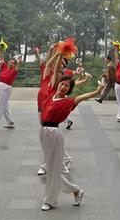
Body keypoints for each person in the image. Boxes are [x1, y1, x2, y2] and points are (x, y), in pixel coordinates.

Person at [40, 52, 105, 211]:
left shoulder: (68, 102)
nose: (63, 86)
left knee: (53, 169)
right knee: (54, 167)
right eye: (62, 84)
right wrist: (60, 53)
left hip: (54, 133)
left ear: (69, 90)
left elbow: (83, 96)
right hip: (43, 131)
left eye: (67, 86)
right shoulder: (51, 93)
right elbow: (54, 70)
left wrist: (97, 92)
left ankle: (50, 200)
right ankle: (76, 191)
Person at [0, 47, 21, 130]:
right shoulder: (4, 66)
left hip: (6, 88)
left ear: (14, 65)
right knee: (5, 105)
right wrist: (0, 50)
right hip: (0, 87)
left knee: (1, 105)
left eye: (13, 63)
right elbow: (1, 58)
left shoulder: (14, 70)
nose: (11, 63)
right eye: (10, 61)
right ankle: (11, 122)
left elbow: (17, 66)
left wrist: (19, 62)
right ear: (8, 62)